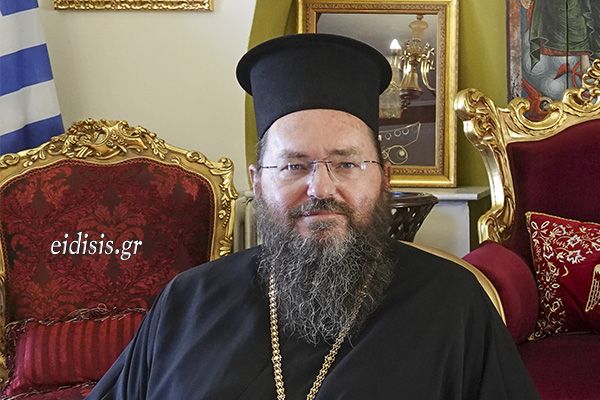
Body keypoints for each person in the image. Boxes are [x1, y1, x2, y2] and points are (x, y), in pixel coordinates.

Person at [86, 34, 539, 400]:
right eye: (293, 166)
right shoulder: (187, 302)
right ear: (257, 181)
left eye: (347, 163)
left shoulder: (453, 304)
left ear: (384, 178)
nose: (321, 188)